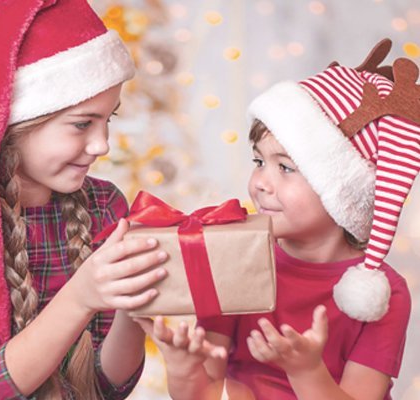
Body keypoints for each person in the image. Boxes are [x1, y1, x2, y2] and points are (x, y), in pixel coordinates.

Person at [0, 0, 169, 398]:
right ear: (12, 124)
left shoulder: (105, 204)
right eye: (81, 124)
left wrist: (133, 303)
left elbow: (107, 387)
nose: (102, 145)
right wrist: (81, 296)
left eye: (109, 120)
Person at [137, 39, 419, 399]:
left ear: (341, 192)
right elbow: (201, 392)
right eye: (259, 162)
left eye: (285, 167)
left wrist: (306, 371)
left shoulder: (385, 294)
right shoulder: (237, 258)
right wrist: (182, 368)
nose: (260, 183)